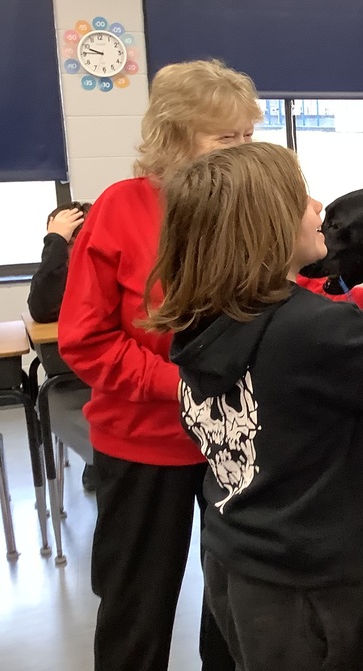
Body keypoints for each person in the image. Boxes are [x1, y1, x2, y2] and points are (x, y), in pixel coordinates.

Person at [144, 142, 363, 671]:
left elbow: (296, 395)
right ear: (267, 228)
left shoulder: (204, 319)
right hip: (308, 594)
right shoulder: (311, 328)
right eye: (301, 198)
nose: (317, 206)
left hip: (237, 564)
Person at [58, 59, 263, 671]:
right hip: (145, 444)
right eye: (226, 138)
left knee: (232, 607)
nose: (243, 151)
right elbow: (85, 341)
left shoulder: (245, 206)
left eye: (249, 135)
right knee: (138, 609)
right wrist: (182, 385)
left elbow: (288, 297)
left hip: (233, 442)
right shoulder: (121, 209)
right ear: (176, 138)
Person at [27, 201, 97, 491]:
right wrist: (55, 243)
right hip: (72, 382)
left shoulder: (105, 261)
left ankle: (108, 461)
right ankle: (99, 460)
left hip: (113, 377)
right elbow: (42, 309)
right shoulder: (56, 272)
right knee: (50, 404)